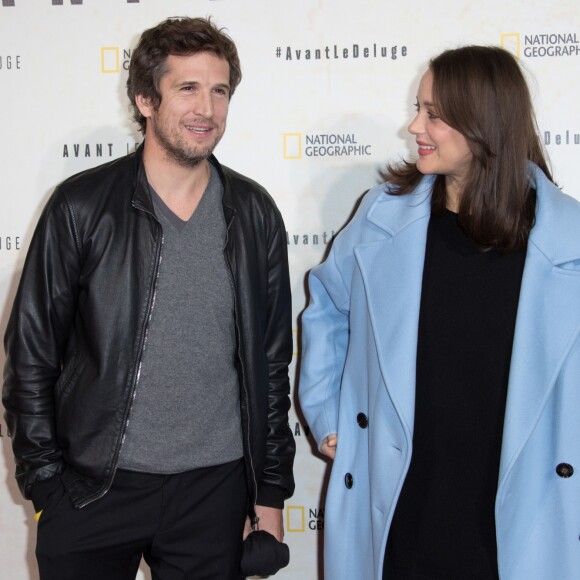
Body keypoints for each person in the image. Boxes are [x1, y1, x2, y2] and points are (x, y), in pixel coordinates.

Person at [3, 16, 295, 580]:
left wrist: (271, 494)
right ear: (144, 98)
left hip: (215, 490)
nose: (206, 109)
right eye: (187, 88)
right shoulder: (80, 207)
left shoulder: (254, 213)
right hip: (93, 489)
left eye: (219, 91)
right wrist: (45, 486)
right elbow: (31, 357)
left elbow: (271, 365)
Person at [298, 45, 580, 580]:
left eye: (435, 113)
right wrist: (328, 412)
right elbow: (328, 306)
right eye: (419, 107)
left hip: (518, 515)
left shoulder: (568, 242)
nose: (414, 126)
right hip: (403, 502)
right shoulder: (383, 218)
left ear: (485, 124)